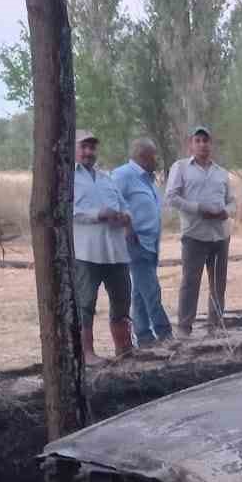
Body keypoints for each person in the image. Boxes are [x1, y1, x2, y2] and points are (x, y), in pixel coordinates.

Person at [164, 125, 234, 338]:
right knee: (190, 282)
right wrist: (198, 208)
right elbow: (171, 197)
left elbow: (231, 201)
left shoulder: (221, 172)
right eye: (198, 140)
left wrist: (225, 212)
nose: (203, 145)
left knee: (218, 283)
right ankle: (184, 327)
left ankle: (216, 326)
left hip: (220, 235)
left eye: (206, 141)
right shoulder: (181, 167)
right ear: (191, 145)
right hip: (194, 235)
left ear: (211, 144)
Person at [72, 129, 133, 365]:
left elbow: (123, 204)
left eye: (92, 147)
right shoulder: (67, 178)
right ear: (73, 149)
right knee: (85, 304)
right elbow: (68, 211)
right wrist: (98, 214)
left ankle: (124, 350)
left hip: (116, 250)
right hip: (87, 252)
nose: (89, 152)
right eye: (84, 147)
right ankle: (87, 354)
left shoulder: (106, 178)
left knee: (122, 301)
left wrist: (126, 216)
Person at [112, 137, 172, 348]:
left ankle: (144, 336)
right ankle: (165, 333)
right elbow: (113, 201)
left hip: (150, 241)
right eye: (154, 155)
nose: (157, 159)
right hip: (135, 241)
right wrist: (126, 227)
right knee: (151, 289)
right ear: (143, 155)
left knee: (139, 291)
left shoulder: (147, 178)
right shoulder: (123, 175)